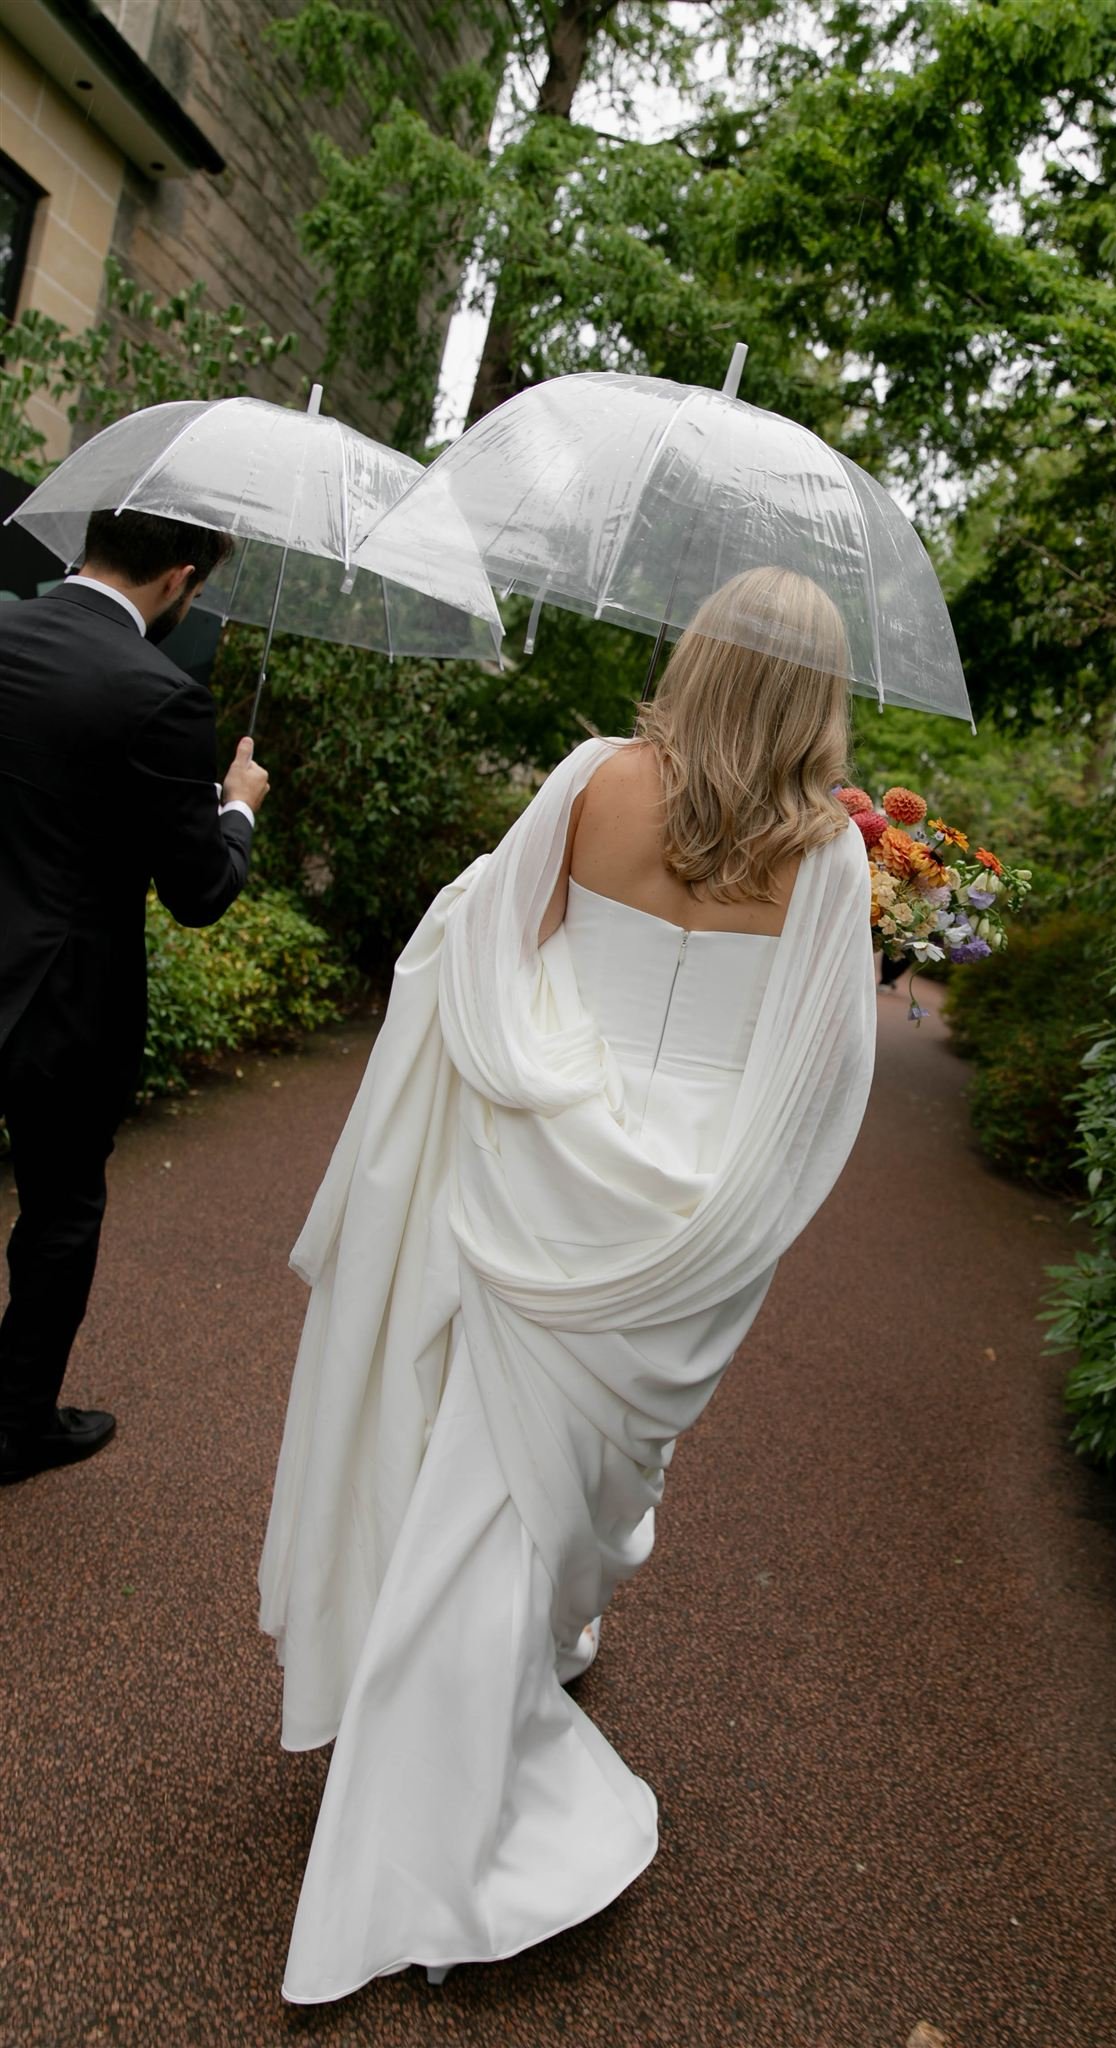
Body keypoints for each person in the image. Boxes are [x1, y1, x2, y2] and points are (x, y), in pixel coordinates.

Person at [258, 565, 876, 2005]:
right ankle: (426, 1824)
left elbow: (484, 952)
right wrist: (735, 1205)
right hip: (694, 1208)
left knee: (492, 1462)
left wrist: (549, 1077)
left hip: (539, 1165)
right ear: (821, 697)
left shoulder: (595, 781)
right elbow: (825, 1075)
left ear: (698, 654)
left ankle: (527, 1650)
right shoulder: (828, 857)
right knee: (551, 1481)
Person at [0, 507, 270, 1485]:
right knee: (59, 1212)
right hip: (65, 1005)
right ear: (180, 578)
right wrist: (235, 807)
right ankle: (16, 1423)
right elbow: (198, 890)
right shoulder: (160, 693)